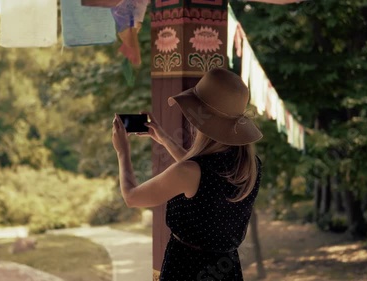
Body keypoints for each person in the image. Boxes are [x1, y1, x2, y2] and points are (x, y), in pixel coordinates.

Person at [112, 68, 263, 280]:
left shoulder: (189, 172)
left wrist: (122, 152)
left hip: (186, 269)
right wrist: (164, 138)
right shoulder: (250, 165)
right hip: (227, 269)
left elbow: (131, 197)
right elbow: (202, 176)